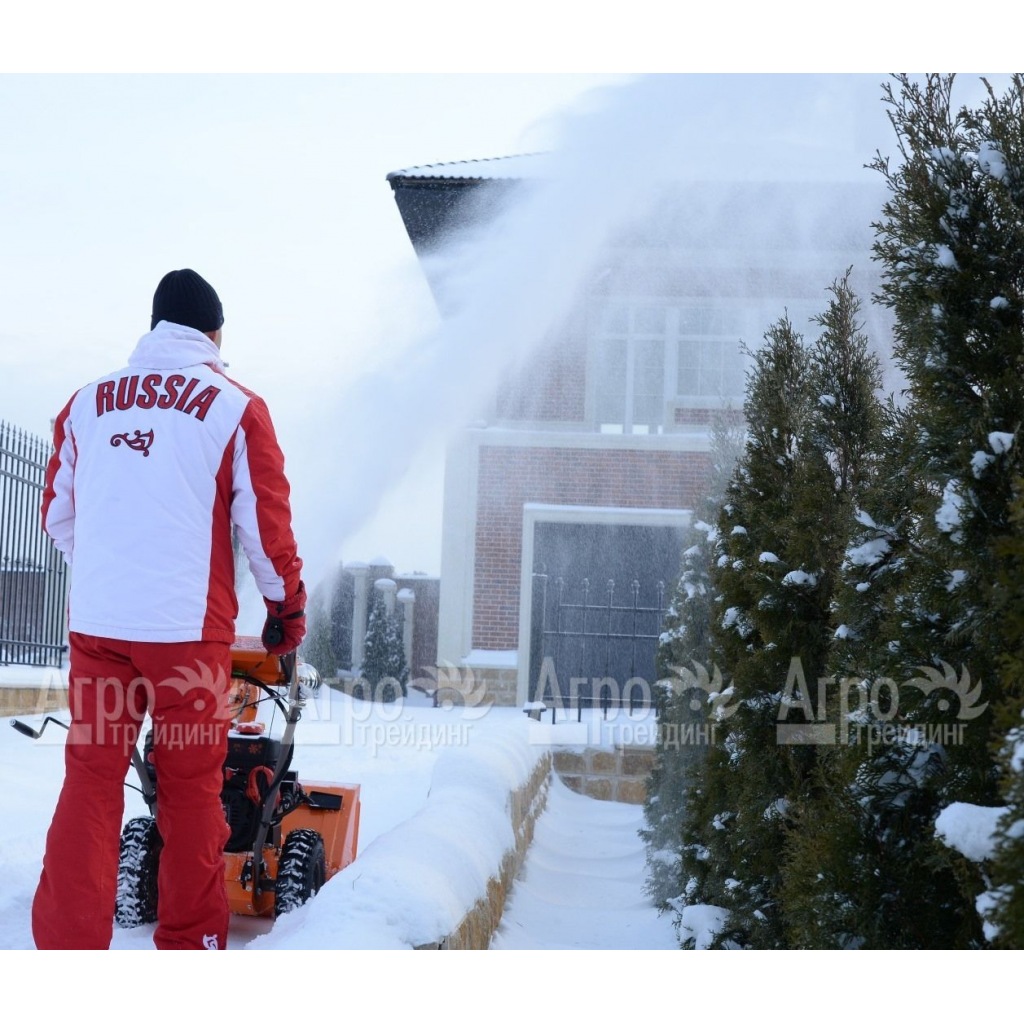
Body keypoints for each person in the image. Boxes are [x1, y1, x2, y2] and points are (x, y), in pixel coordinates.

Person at [32, 269, 306, 950]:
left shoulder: (85, 404)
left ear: (155, 328)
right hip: (187, 633)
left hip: (98, 629)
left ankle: (64, 953)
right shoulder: (236, 407)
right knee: (189, 793)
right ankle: (190, 948)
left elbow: (58, 516)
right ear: (215, 333)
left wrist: (111, 576)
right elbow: (266, 529)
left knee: (91, 781)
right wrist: (285, 612)